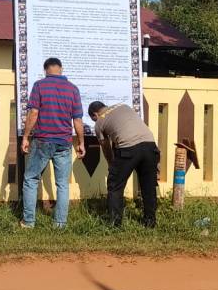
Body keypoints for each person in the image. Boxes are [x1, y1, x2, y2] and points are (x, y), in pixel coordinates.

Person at [21, 57, 85, 229]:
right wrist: (81, 143)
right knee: (62, 184)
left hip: (42, 140)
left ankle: (28, 222)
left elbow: (34, 113)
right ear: (61, 69)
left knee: (31, 179)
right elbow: (77, 120)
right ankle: (59, 224)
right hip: (64, 142)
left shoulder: (39, 86)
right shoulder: (73, 89)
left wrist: (26, 137)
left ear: (45, 70)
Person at [88, 100, 159, 228]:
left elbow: (106, 147)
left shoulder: (99, 122)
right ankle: (150, 222)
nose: (95, 122)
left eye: (93, 119)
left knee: (115, 185)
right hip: (150, 146)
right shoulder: (123, 105)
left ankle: (115, 224)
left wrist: (111, 164)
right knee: (148, 186)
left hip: (128, 148)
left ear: (95, 114)